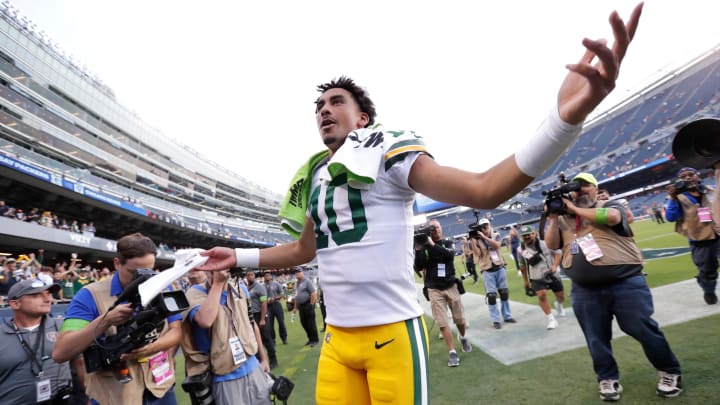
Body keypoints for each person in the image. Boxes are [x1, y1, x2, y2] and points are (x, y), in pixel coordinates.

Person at [196, 5, 643, 402]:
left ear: (363, 118)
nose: (324, 111)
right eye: (318, 106)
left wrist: (564, 120)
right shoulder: (314, 175)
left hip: (390, 333)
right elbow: (302, 251)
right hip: (336, 339)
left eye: (336, 102)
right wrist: (238, 256)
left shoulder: (387, 152)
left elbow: (486, 188)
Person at [545, 172, 682, 401]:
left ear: (595, 189)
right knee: (596, 337)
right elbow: (551, 244)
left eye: (585, 186)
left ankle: (669, 370)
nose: (580, 191)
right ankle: (607, 378)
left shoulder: (610, 203)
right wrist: (552, 218)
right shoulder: (563, 217)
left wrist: (575, 210)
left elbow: (612, 218)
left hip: (625, 282)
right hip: (584, 289)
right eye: (575, 188)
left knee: (643, 328)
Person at [52, 233, 182, 405]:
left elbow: (176, 331)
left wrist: (150, 348)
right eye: (134, 272)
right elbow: (61, 352)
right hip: (115, 395)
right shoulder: (89, 296)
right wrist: (105, 321)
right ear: (117, 264)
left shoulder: (163, 288)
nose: (143, 278)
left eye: (148, 271)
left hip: (161, 387)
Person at [180, 269, 270, 405]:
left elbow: (251, 324)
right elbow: (205, 320)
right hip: (224, 375)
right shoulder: (194, 294)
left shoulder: (239, 289)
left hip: (252, 366)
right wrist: (217, 283)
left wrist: (263, 358)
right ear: (207, 270)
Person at [0, 279, 75, 404]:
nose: (47, 300)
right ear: (15, 304)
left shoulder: (64, 326)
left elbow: (80, 364)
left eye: (48, 294)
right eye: (36, 295)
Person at [414, 219, 472, 367]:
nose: (436, 231)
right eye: (432, 229)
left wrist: (431, 244)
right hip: (434, 288)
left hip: (451, 284)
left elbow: (448, 256)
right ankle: (452, 352)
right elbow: (418, 266)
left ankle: (463, 336)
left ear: (441, 228)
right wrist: (419, 248)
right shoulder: (424, 246)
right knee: (442, 321)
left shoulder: (448, 242)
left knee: (459, 319)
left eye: (437, 227)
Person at [665, 167, 718, 305]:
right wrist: (672, 198)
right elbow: (671, 217)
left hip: (718, 231)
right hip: (700, 238)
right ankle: (709, 290)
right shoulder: (678, 197)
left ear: (697, 175)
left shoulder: (709, 190)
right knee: (708, 272)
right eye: (683, 176)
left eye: (691, 174)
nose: (688, 177)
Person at [517, 225, 566, 330]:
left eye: (528, 234)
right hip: (536, 277)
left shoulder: (546, 243)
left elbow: (558, 253)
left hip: (552, 274)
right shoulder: (520, 250)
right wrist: (526, 281)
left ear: (534, 233)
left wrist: (555, 266)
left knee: (561, 297)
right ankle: (551, 319)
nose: (526, 237)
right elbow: (522, 266)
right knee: (542, 295)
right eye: (524, 235)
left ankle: (559, 304)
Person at [471, 218, 516, 329]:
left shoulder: (496, 234)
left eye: (486, 226)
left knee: (504, 293)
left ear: (490, 225)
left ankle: (507, 315)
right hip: (487, 269)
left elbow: (496, 246)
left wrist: (484, 237)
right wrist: (472, 241)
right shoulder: (477, 240)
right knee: (491, 296)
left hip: (499, 266)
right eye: (483, 227)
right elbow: (477, 254)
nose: (485, 228)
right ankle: (495, 319)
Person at [246, 270, 278, 369]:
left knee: (266, 339)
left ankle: (273, 361)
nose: (249, 277)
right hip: (252, 315)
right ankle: (259, 362)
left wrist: (262, 319)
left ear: (254, 276)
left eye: (251, 275)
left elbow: (264, 304)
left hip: (260, 314)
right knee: (255, 340)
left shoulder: (259, 287)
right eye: (248, 275)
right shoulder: (247, 288)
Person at [292, 268, 319, 347]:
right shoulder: (296, 284)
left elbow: (313, 293)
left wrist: (311, 304)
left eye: (298, 272)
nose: (297, 274)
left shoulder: (307, 281)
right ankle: (310, 339)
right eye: (296, 272)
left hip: (308, 304)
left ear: (302, 273)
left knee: (311, 323)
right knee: (304, 323)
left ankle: (315, 340)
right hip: (301, 306)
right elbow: (297, 297)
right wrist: (295, 307)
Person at [263, 271, 288, 345]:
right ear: (264, 277)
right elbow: (260, 297)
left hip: (277, 305)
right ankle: (273, 340)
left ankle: (284, 338)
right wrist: (265, 300)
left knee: (281, 322)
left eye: (268, 275)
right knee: (270, 324)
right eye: (266, 276)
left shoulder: (276, 284)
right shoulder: (262, 286)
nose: (267, 277)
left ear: (271, 277)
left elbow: (282, 294)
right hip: (268, 307)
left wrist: (274, 298)